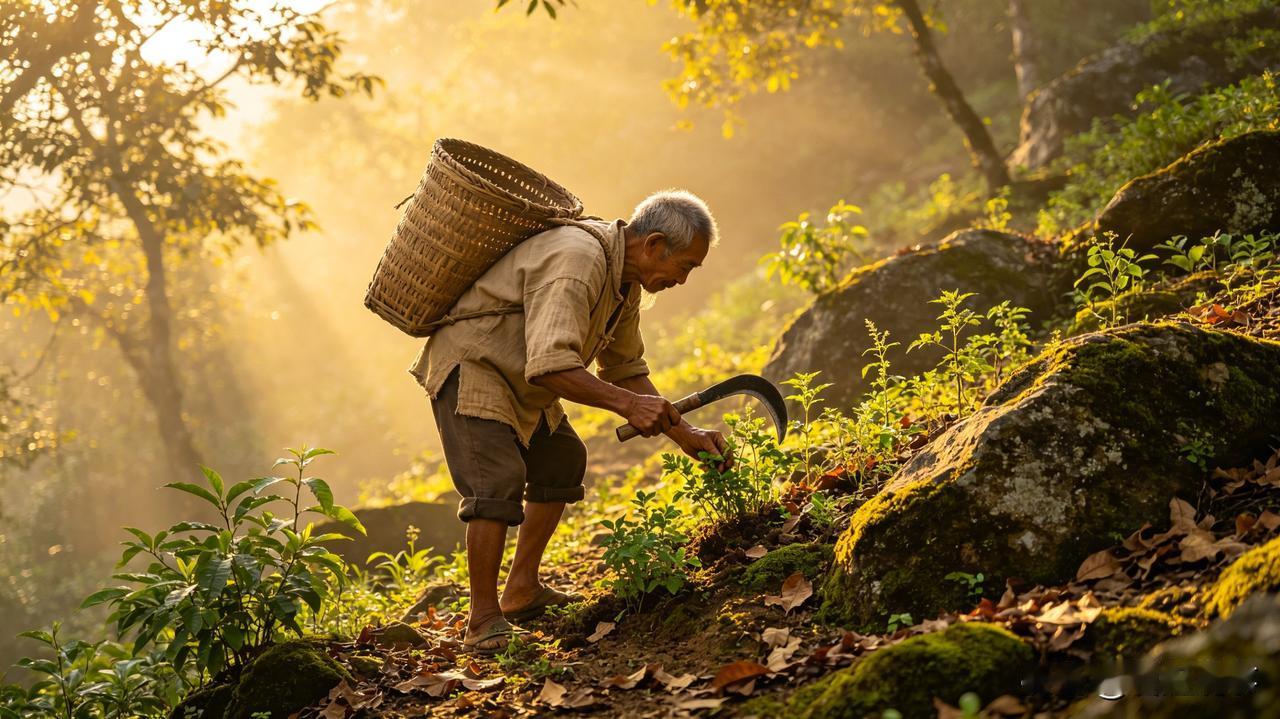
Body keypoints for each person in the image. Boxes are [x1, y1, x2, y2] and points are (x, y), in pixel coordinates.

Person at [409, 189, 731, 653]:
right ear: (655, 245)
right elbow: (553, 365)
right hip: (475, 365)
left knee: (561, 458)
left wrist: (687, 434)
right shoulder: (578, 260)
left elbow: (625, 369)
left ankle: (520, 589)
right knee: (494, 480)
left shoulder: (625, 283)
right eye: (685, 266)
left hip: (520, 376)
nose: (683, 280)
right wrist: (627, 406)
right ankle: (481, 619)